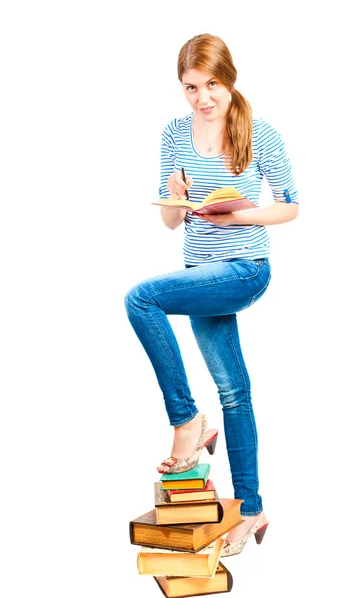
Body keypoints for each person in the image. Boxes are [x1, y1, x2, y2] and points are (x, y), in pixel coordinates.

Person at [124, 33, 299, 557]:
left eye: (212, 85)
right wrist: (175, 200)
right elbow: (170, 222)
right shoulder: (174, 135)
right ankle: (252, 508)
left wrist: (237, 212)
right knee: (235, 392)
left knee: (142, 298)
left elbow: (291, 206)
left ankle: (186, 421)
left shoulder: (259, 134)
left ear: (230, 79)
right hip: (201, 271)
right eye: (191, 87)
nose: (203, 98)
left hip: (244, 269)